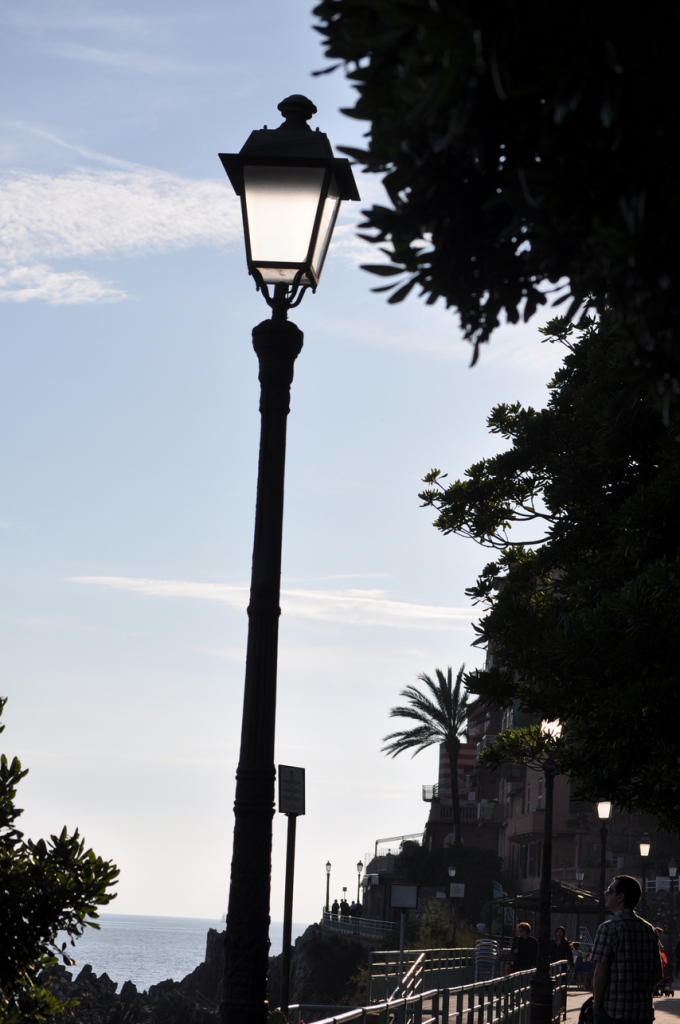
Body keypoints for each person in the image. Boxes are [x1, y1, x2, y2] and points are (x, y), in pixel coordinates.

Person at [591, 875, 662, 1024]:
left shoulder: (608, 929)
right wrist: (639, 992)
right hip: (642, 1012)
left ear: (620, 897)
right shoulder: (650, 930)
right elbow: (658, 973)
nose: (605, 893)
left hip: (613, 1011)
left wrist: (596, 1006)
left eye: (609, 890)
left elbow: (600, 973)